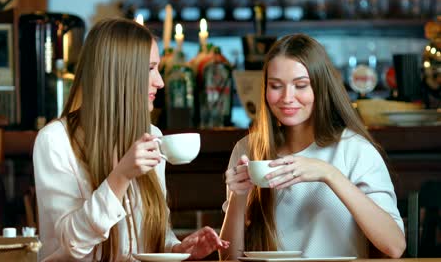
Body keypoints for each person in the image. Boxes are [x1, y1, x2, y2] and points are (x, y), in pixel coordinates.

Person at [33, 18, 229, 261]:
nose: (160, 82)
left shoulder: (151, 135)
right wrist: (121, 176)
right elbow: (73, 243)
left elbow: (149, 236)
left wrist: (176, 249)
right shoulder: (55, 141)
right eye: (150, 69)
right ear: (118, 73)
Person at [219, 34, 406, 259]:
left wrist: (328, 173)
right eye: (276, 86)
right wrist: (238, 199)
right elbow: (229, 259)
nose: (287, 97)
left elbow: (394, 246)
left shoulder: (355, 150)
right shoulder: (248, 149)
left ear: (320, 87)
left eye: (301, 86)